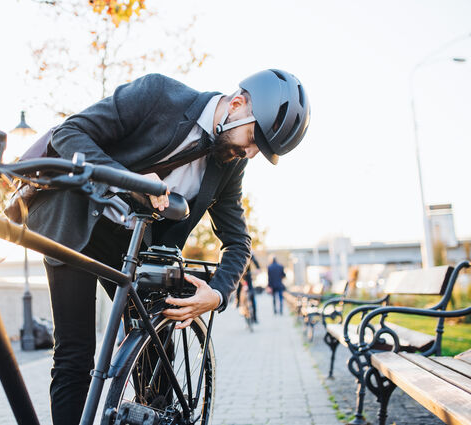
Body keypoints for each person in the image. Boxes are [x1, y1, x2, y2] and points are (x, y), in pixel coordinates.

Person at [23, 70, 310, 424]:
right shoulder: (158, 94)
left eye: (259, 151)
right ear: (237, 104)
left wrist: (218, 294)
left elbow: (238, 241)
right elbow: (70, 133)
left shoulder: (230, 164)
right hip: (77, 222)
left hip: (138, 249)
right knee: (74, 355)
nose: (250, 154)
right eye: (254, 139)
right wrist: (127, 180)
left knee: (157, 358)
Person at [239, 254, 260, 322]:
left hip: (248, 275)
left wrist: (258, 268)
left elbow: (255, 261)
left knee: (252, 294)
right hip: (239, 275)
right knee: (238, 290)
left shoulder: (249, 252)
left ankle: (254, 317)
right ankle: (238, 303)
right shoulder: (236, 250)